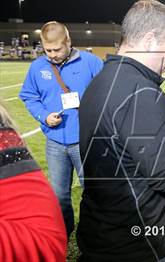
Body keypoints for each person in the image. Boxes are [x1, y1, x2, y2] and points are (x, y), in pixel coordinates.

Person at [77, 0, 165, 262]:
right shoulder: (140, 90)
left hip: (103, 231)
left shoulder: (102, 79)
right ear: (150, 39)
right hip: (139, 243)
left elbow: (123, 147)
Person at [19, 21, 104, 237]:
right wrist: (43, 116)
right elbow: (29, 96)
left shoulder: (91, 62)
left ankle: (91, 235)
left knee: (92, 194)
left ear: (68, 42)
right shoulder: (38, 67)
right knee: (58, 196)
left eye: (57, 49)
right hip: (55, 143)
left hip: (85, 143)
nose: (52, 54)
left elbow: (107, 96)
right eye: (48, 50)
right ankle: (64, 234)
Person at [0, 102, 67, 261]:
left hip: (79, 136)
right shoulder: (36, 75)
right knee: (62, 195)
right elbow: (29, 95)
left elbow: (45, 242)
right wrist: (43, 115)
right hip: (56, 137)